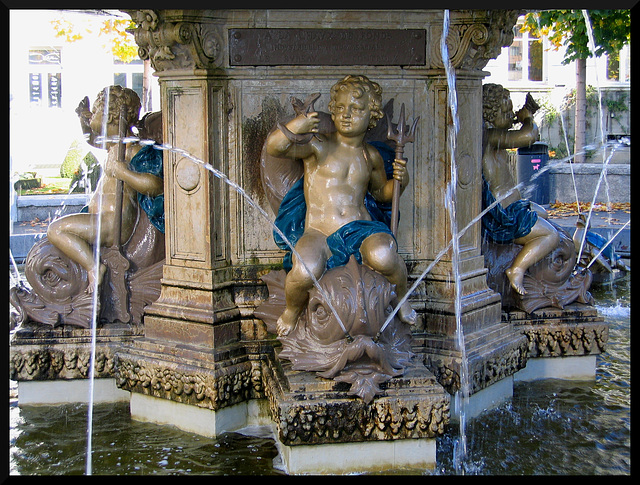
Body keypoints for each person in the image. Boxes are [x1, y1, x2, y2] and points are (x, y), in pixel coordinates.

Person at [266, 74, 416, 336]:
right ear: (333, 112)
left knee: (385, 256)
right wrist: (300, 123)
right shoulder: (319, 146)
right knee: (304, 270)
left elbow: (382, 193)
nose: (347, 115)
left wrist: (401, 181)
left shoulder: (371, 156)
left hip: (361, 229)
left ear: (372, 116)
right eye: (341, 108)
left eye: (357, 109)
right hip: (319, 232)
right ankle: (291, 311)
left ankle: (402, 300)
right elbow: (275, 148)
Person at [47, 85, 164, 293]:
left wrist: (123, 172)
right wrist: (83, 120)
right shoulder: (115, 145)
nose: (93, 121)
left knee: (56, 229)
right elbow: (93, 139)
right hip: (101, 218)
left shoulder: (133, 149)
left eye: (96, 114)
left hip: (112, 224)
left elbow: (155, 185)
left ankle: (93, 268)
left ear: (110, 117)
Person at [481, 83, 559, 295]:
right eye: (505, 112)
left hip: (514, 205)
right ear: (488, 115)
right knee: (551, 236)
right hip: (505, 215)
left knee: (543, 212)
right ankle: (517, 269)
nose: (511, 115)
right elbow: (528, 137)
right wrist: (527, 118)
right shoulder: (490, 136)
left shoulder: (494, 138)